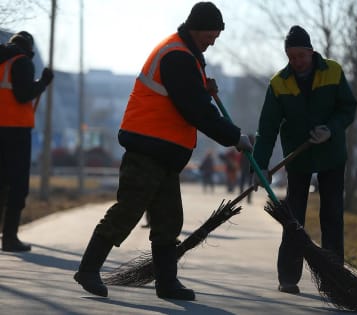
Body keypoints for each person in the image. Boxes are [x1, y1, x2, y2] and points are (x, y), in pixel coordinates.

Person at [73, 2, 253, 301]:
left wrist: (202, 87)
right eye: (213, 33)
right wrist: (234, 136)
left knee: (169, 220)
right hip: (147, 148)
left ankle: (167, 283)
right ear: (200, 28)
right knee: (128, 210)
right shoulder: (177, 56)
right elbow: (195, 110)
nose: (214, 40)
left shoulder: (187, 56)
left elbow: (188, 98)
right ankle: (89, 269)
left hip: (165, 152)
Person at [252, 25, 357, 294]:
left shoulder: (332, 71)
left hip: (331, 155)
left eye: (301, 55)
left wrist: (330, 129)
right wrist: (260, 166)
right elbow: (267, 128)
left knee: (332, 215)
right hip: (297, 157)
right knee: (293, 216)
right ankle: (288, 278)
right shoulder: (279, 83)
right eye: (292, 56)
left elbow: (348, 107)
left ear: (311, 51)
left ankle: (334, 281)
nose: (297, 61)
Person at [0, 31, 54, 252]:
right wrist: (43, 82)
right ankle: (10, 238)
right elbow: (23, 95)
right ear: (29, 48)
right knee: (17, 185)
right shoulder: (21, 62)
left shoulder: (2, 62)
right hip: (16, 131)